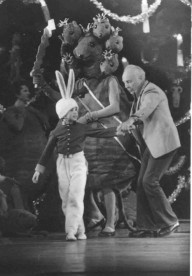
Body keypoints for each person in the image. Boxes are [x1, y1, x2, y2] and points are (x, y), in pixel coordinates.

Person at [32, 70, 118, 241]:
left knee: (76, 196)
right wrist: (38, 170)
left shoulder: (81, 127)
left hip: (78, 163)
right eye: (73, 110)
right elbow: (48, 150)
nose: (76, 113)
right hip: (62, 164)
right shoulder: (56, 131)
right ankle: (79, 229)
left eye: (76, 110)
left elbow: (101, 132)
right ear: (64, 113)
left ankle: (70, 231)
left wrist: (120, 130)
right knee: (66, 199)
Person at [117, 65, 181, 237]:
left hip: (164, 143)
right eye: (125, 82)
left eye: (129, 81)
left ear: (140, 78)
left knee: (149, 182)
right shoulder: (139, 95)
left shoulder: (151, 92)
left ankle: (170, 221)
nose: (127, 85)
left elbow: (145, 109)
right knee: (141, 184)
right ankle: (147, 226)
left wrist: (131, 121)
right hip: (153, 145)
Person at [1, 80, 52, 211]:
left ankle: (30, 219)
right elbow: (18, 126)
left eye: (28, 90)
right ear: (17, 94)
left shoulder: (31, 110)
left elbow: (46, 125)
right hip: (22, 160)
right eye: (25, 91)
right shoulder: (11, 111)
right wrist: (22, 108)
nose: (28, 93)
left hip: (37, 156)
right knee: (22, 188)